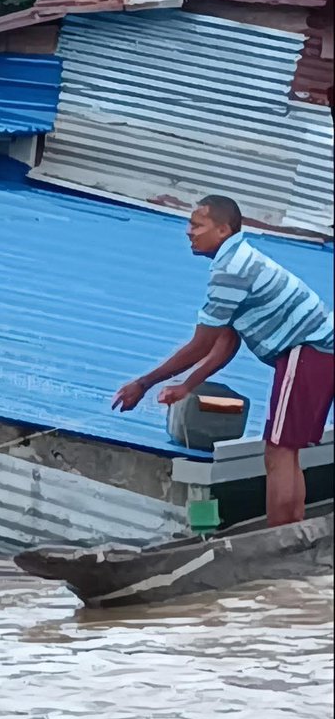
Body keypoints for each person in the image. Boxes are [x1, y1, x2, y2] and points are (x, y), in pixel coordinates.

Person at [113, 195, 334, 527]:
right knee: (286, 450)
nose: (189, 232)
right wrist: (187, 385)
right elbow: (226, 341)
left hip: (308, 352)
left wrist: (144, 383)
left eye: (197, 225)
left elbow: (201, 344)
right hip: (312, 354)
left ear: (223, 229)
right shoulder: (238, 259)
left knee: (279, 451)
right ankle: (292, 528)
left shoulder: (230, 271)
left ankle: (278, 538)